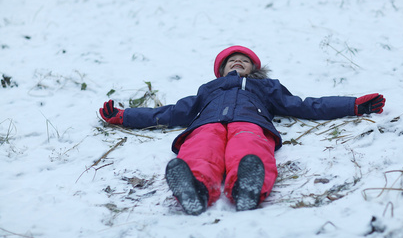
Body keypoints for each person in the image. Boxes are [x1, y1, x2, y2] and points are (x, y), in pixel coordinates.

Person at [99, 45, 386, 215]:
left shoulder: (267, 87)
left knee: (249, 150)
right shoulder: (207, 90)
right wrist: (124, 116)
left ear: (254, 69)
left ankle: (247, 188)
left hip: (251, 124)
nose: (238, 63)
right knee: (199, 150)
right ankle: (195, 189)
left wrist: (353, 105)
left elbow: (305, 106)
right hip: (205, 126)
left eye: (244, 61)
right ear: (221, 71)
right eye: (231, 61)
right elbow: (171, 111)